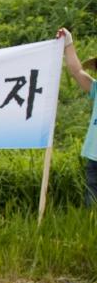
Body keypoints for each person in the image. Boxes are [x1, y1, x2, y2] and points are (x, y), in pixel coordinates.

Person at [57, 28, 97, 205]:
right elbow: (76, 71)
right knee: (92, 204)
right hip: (94, 157)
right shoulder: (96, 89)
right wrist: (68, 43)